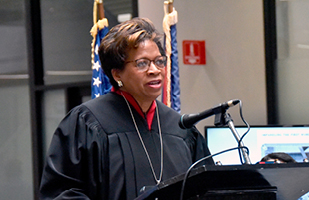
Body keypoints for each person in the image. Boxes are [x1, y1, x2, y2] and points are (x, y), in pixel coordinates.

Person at [39, 17, 214, 200]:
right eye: (142, 63)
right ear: (117, 74)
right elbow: (62, 193)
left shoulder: (181, 129)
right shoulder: (87, 123)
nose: (154, 70)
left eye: (159, 61)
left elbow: (208, 189)